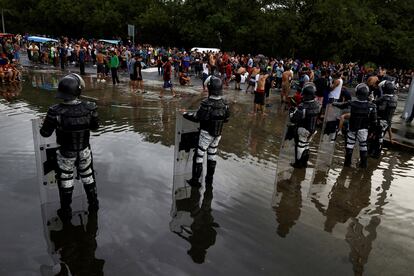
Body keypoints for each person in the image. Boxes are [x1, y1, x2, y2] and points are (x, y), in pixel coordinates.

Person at [40, 73, 100, 220]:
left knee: (66, 179)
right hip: (84, 149)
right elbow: (95, 127)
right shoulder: (90, 107)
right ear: (77, 91)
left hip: (66, 152)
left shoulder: (55, 111)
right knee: (87, 175)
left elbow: (45, 133)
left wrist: (47, 122)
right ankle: (93, 204)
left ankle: (66, 210)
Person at [183, 76, 230, 187]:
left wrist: (185, 114)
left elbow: (197, 117)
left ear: (210, 89)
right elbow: (226, 119)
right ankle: (209, 179)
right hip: (217, 134)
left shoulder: (206, 103)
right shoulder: (225, 104)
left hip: (205, 134)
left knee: (199, 156)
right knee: (212, 155)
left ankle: (195, 180)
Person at [333, 83, 377, 168]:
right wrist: (372, 132)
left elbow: (341, 105)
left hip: (352, 128)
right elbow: (374, 122)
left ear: (357, 93)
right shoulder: (371, 106)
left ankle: (347, 165)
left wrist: (333, 103)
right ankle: (363, 166)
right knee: (363, 147)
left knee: (349, 146)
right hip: (364, 130)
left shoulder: (352, 103)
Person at [289, 83, 321, 168]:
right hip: (313, 130)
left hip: (303, 130)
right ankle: (304, 163)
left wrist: (292, 110)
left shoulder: (303, 107)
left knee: (300, 146)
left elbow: (293, 118)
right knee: (306, 145)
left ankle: (298, 164)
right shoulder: (317, 104)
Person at [369, 81, 397, 158]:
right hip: (387, 122)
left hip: (379, 121)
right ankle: (376, 154)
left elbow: (377, 106)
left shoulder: (384, 98)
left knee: (375, 138)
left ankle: (373, 153)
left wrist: (372, 100)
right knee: (380, 138)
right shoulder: (394, 99)